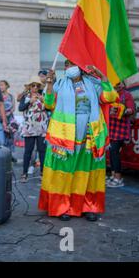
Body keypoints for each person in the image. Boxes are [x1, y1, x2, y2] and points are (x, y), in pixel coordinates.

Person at [38, 63, 118, 222]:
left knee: (86, 172)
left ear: (80, 67)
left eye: (72, 64)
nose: (69, 67)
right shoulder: (60, 84)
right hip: (65, 136)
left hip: (90, 136)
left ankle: (88, 207)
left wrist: (102, 76)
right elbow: (48, 104)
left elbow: (109, 97)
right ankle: (63, 207)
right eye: (67, 64)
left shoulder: (92, 83)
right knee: (65, 173)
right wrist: (49, 83)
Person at [18, 77, 48, 182]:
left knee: (42, 151)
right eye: (33, 85)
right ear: (29, 86)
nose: (35, 87)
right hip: (29, 127)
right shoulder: (25, 97)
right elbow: (20, 108)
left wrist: (44, 101)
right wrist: (29, 101)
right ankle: (24, 173)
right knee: (28, 151)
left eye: (37, 86)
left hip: (41, 127)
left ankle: (42, 173)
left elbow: (49, 107)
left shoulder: (43, 96)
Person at [107, 81, 135, 188]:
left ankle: (118, 178)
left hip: (121, 129)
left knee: (114, 151)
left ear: (122, 84)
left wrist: (123, 111)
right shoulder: (110, 94)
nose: (116, 86)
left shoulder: (127, 95)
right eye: (115, 84)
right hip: (111, 127)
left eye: (118, 84)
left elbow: (131, 109)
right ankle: (113, 175)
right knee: (111, 151)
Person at [0, 80, 18, 162]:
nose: (1, 87)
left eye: (2, 85)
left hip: (10, 118)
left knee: (10, 137)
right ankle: (3, 155)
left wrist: (9, 113)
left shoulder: (11, 96)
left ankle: (10, 155)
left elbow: (13, 107)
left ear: (6, 86)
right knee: (2, 137)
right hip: (1, 118)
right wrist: (3, 115)